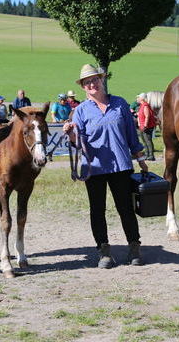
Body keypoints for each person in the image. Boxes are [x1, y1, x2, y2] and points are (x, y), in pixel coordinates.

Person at [62, 64, 149, 269]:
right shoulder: (80, 111)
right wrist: (71, 133)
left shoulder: (119, 104)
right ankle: (104, 251)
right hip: (94, 168)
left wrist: (140, 158)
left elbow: (131, 134)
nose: (92, 84)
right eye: (87, 82)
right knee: (97, 210)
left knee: (125, 208)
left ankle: (134, 247)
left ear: (102, 80)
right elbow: (78, 141)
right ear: (83, 87)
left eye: (95, 80)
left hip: (121, 165)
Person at [137, 93, 157, 160]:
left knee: (148, 140)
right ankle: (146, 154)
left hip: (146, 127)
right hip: (141, 126)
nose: (137, 99)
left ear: (142, 98)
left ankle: (151, 155)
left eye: (138, 97)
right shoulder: (141, 106)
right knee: (144, 141)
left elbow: (147, 116)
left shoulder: (145, 106)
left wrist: (145, 126)